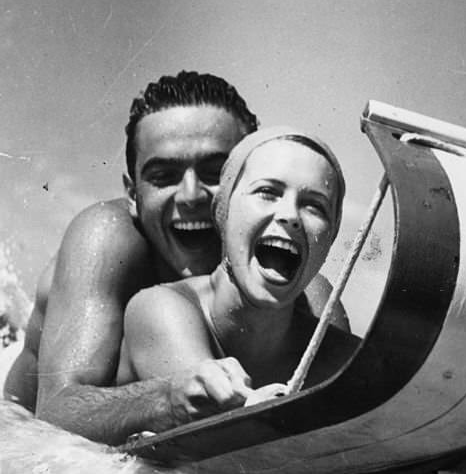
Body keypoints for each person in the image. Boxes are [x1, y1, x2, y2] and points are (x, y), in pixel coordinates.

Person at [3, 72, 347, 443]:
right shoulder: (109, 241)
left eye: (215, 172)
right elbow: (55, 414)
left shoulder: (309, 296)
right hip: (19, 437)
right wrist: (167, 398)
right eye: (164, 176)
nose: (190, 195)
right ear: (134, 194)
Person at [115, 127, 359, 423]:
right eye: (267, 192)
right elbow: (219, 423)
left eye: (314, 206)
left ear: (330, 238)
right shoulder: (161, 307)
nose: (290, 216)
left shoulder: (334, 349)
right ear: (223, 212)